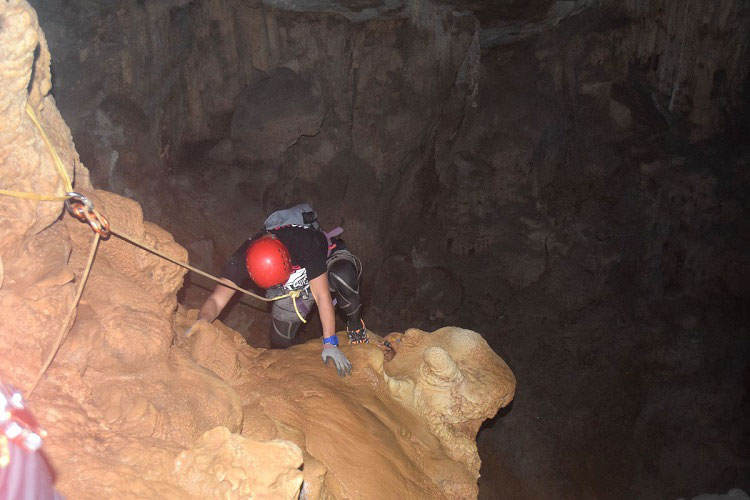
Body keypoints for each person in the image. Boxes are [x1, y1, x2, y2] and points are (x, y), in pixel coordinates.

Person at [188, 204, 366, 377]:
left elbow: (321, 295)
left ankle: (356, 326)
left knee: (343, 275)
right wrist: (203, 319)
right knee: (280, 341)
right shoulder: (241, 259)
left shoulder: (304, 242)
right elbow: (216, 300)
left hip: (324, 263)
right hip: (294, 286)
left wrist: (330, 344)